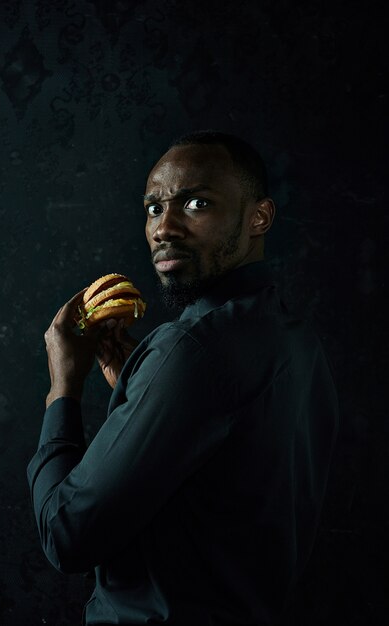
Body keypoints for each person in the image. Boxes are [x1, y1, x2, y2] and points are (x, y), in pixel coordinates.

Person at [27, 131, 339, 626]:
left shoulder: (190, 348)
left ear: (259, 217)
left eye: (196, 203)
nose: (164, 228)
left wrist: (61, 388)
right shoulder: (294, 338)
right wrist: (140, 387)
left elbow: (65, 536)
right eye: (153, 208)